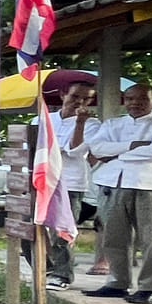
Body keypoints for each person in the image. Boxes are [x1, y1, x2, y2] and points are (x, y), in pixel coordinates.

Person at [80, 82, 152, 302]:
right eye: (130, 99)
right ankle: (117, 283)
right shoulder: (113, 124)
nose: (135, 103)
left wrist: (116, 154)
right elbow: (97, 149)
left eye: (142, 98)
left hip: (149, 186)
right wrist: (135, 145)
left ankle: (150, 287)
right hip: (112, 185)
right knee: (113, 237)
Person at [39, 82, 96, 289]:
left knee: (62, 230)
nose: (79, 102)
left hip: (70, 182)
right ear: (63, 95)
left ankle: (62, 275)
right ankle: (46, 267)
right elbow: (37, 147)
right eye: (75, 96)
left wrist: (80, 123)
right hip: (43, 180)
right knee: (29, 226)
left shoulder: (92, 124)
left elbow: (75, 151)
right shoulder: (43, 119)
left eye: (86, 98)